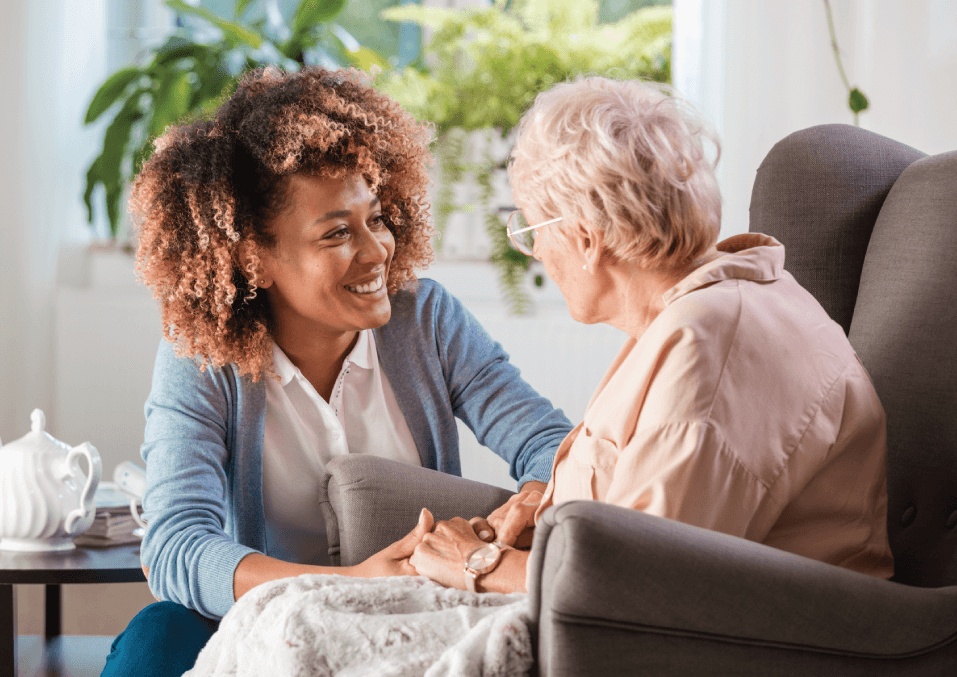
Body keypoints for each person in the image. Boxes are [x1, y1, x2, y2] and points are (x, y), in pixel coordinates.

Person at [100, 66, 572, 677]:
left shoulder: (426, 320)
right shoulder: (203, 355)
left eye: (375, 218)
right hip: (267, 620)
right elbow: (176, 546)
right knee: (157, 635)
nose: (377, 250)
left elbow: (550, 444)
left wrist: (531, 503)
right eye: (337, 233)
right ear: (254, 257)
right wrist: (345, 582)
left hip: (411, 618)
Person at [409, 76, 894, 595]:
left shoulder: (708, 347)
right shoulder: (714, 305)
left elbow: (638, 587)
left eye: (529, 230)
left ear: (585, 237)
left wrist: (478, 563)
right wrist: (551, 512)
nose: (538, 254)